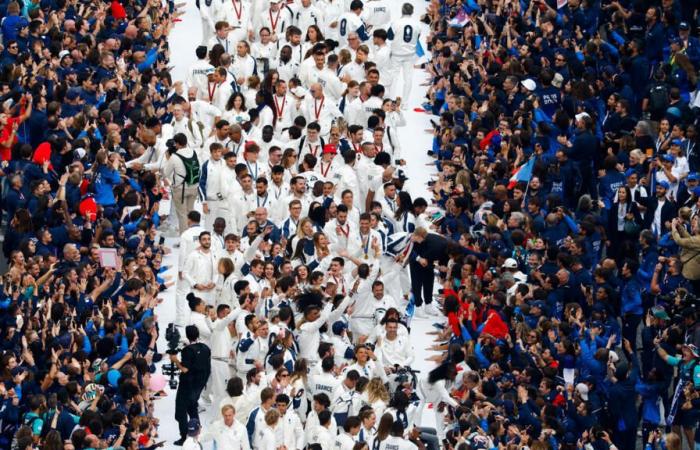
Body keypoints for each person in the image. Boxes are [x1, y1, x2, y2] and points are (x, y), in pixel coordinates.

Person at [171, 326, 212, 446]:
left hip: (187, 385)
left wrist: (175, 360)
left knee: (181, 410)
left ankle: (184, 436)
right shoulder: (206, 348)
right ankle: (197, 433)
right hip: (199, 384)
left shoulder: (187, 351)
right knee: (192, 407)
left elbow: (184, 369)